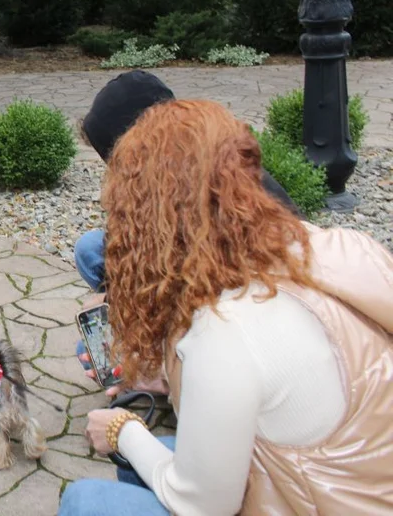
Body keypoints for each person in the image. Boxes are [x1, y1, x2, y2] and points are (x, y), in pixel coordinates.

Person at [60, 99, 393, 516]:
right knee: (145, 461)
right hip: (353, 482)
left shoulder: (224, 331)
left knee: (86, 501)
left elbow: (200, 505)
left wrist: (120, 428)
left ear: (143, 219)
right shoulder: (344, 245)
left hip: (307, 500)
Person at [75, 70, 298, 294]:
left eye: (118, 160)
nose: (116, 174)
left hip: (248, 285)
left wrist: (121, 298)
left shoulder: (201, 179)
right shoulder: (175, 162)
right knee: (91, 247)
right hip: (206, 270)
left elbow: (199, 270)